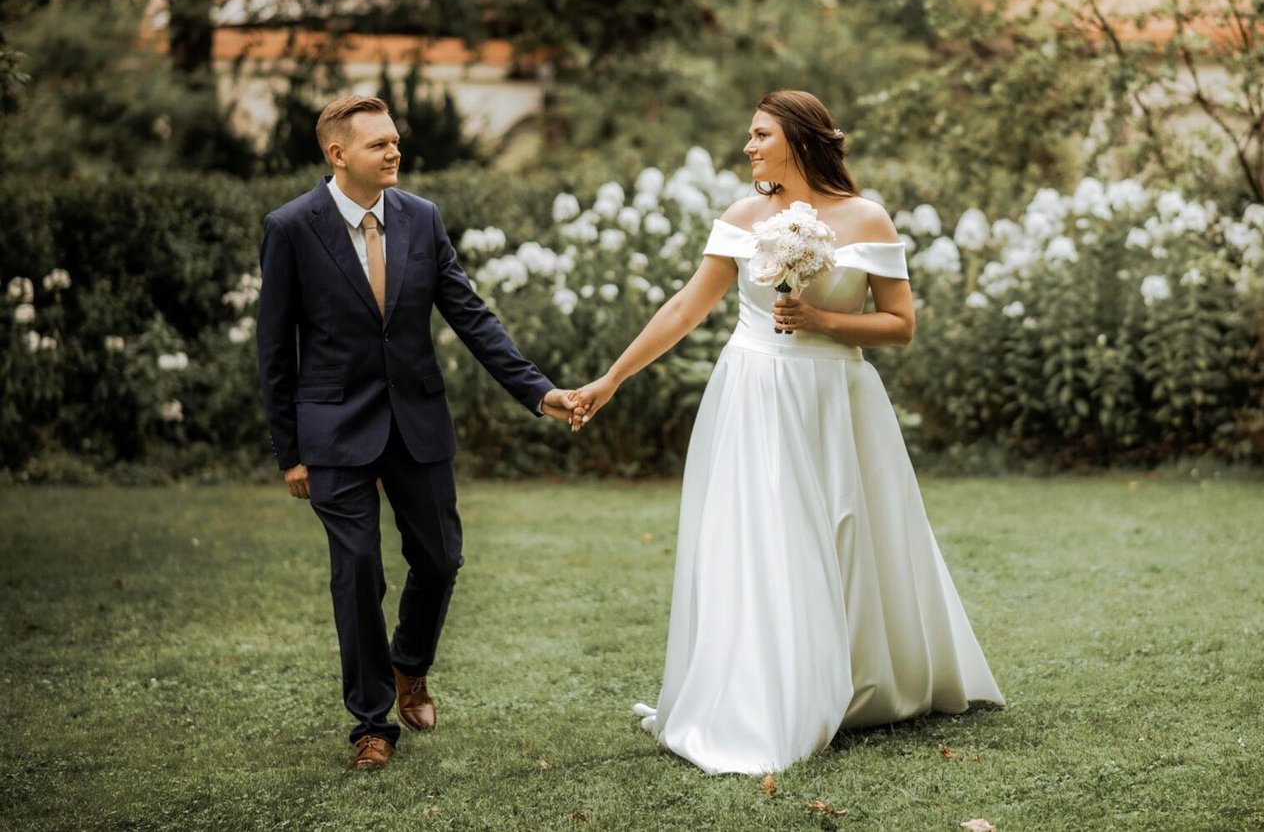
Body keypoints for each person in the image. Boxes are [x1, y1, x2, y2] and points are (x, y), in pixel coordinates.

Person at [571, 89, 1003, 775]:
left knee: (853, 537)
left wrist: (826, 321)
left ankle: (864, 683)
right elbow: (687, 306)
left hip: (837, 398)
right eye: (749, 135)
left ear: (800, 140)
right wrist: (611, 380)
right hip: (753, 393)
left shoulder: (866, 219)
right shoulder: (744, 216)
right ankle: (769, 695)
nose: (748, 147)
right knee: (766, 539)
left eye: (760, 135)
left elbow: (901, 324)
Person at [255, 94, 585, 771]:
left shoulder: (421, 219)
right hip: (333, 429)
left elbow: (471, 315)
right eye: (378, 144)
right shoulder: (290, 227)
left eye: (395, 140)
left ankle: (411, 664)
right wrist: (290, 450)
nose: (394, 151)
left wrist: (537, 389)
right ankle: (372, 722)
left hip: (416, 422)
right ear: (337, 154)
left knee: (440, 559)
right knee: (357, 572)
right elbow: (273, 348)